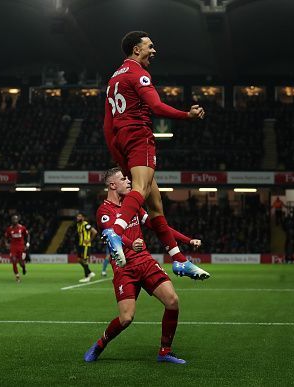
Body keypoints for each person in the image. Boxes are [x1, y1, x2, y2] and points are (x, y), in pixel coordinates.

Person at [100, 30, 209, 281]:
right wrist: (187, 116)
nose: (154, 50)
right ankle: (116, 232)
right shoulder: (139, 73)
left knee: (155, 204)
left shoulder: (114, 79)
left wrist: (117, 152)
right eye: (150, 46)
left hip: (121, 140)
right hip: (139, 137)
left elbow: (107, 124)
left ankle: (179, 260)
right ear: (136, 50)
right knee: (140, 187)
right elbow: (156, 106)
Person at [85, 167, 200, 364]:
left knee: (172, 301)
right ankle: (100, 343)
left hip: (145, 262)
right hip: (125, 269)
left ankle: (165, 351)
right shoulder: (104, 211)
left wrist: (187, 240)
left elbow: (158, 226)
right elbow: (112, 234)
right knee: (126, 319)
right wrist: (131, 244)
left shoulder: (134, 206)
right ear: (112, 185)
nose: (129, 182)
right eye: (124, 179)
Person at [4, 214, 30, 283]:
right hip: (13, 247)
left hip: (21, 247)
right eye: (13, 219)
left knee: (21, 263)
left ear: (18, 220)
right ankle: (17, 277)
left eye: (16, 219)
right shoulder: (9, 229)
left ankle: (24, 268)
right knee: (14, 261)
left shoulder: (22, 228)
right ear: (11, 220)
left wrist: (27, 243)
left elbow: (27, 235)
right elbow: (6, 237)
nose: (14, 220)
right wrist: (6, 243)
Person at [76, 213, 96, 283]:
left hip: (86, 245)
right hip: (80, 245)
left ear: (83, 218)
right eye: (77, 216)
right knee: (79, 260)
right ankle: (89, 273)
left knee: (84, 260)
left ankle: (87, 276)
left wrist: (89, 240)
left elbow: (94, 232)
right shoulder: (78, 225)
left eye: (80, 216)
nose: (78, 218)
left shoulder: (86, 224)